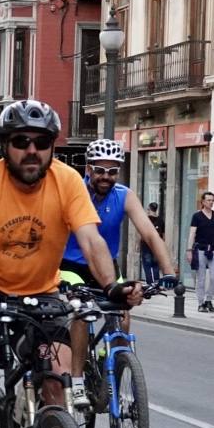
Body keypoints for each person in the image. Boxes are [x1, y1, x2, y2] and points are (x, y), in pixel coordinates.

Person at [0, 99, 141, 428]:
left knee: (59, 385)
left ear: (52, 146)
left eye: (42, 142)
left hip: (41, 287)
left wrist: (111, 287)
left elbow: (91, 240)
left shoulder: (67, 181)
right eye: (21, 142)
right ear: (5, 146)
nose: (31, 150)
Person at [59, 139, 177, 407]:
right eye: (100, 170)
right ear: (88, 168)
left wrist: (169, 272)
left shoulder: (124, 195)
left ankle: (107, 357)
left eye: (113, 172)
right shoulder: (74, 192)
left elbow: (149, 233)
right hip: (71, 265)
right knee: (83, 310)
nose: (106, 177)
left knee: (122, 316)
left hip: (107, 268)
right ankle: (77, 380)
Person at [186, 191, 214, 312]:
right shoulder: (196, 216)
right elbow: (192, 234)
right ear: (203, 202)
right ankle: (201, 303)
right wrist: (189, 250)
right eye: (208, 200)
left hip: (212, 250)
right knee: (201, 278)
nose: (211, 202)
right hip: (200, 250)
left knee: (213, 277)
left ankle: (209, 300)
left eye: (212, 200)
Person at [140, 202, 165, 284]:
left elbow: (142, 232)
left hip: (146, 245)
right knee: (155, 264)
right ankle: (156, 282)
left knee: (147, 265)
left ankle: (150, 282)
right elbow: (163, 235)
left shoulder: (145, 219)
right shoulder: (161, 220)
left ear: (149, 209)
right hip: (157, 245)